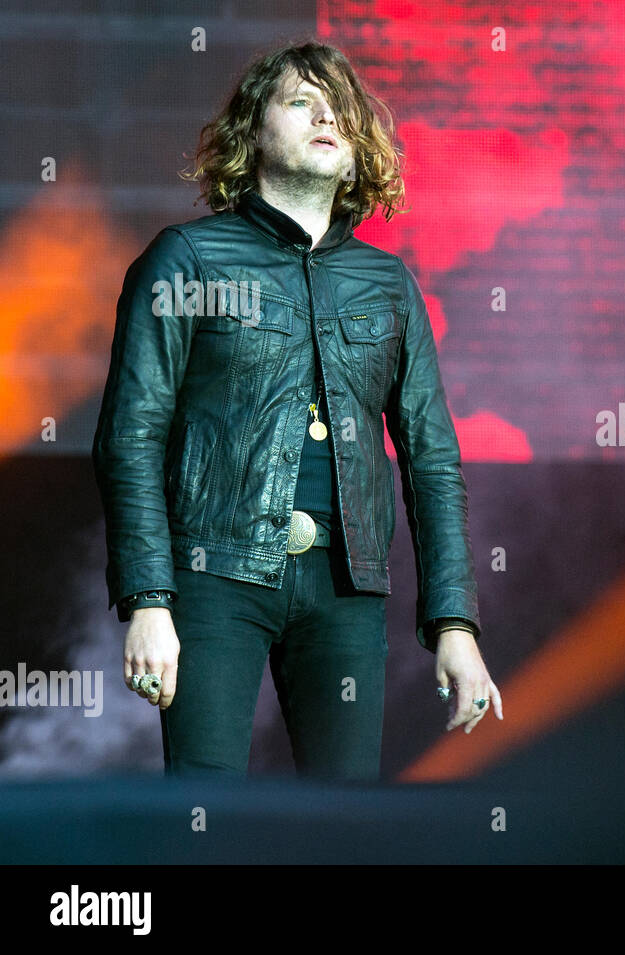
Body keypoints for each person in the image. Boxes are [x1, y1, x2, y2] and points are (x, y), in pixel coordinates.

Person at [92, 41, 502, 779]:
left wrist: (454, 623)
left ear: (355, 155)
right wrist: (149, 598)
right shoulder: (187, 259)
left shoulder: (388, 283)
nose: (325, 116)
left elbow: (432, 459)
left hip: (346, 591)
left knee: (342, 826)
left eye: (339, 109)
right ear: (254, 134)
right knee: (203, 813)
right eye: (299, 101)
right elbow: (132, 434)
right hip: (213, 576)